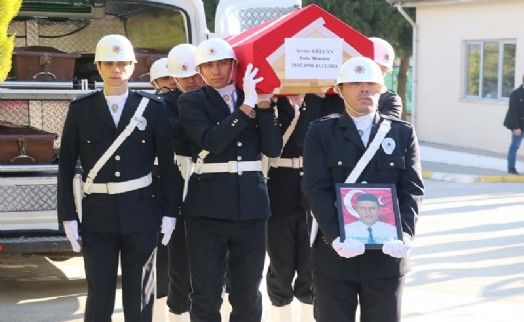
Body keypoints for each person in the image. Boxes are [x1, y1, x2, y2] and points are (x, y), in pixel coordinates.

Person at [57, 34, 178, 322]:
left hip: (142, 211)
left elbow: (168, 166)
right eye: (109, 63)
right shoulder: (81, 110)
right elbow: (65, 167)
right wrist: (68, 216)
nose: (116, 69)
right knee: (99, 297)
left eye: (122, 63)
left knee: (139, 297)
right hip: (98, 213)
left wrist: (170, 212)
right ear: (98, 67)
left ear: (133, 67)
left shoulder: (152, 108)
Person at [301, 56, 424, 322]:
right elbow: (315, 188)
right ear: (340, 90)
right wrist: (335, 236)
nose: (364, 89)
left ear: (381, 89)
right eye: (355, 84)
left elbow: (411, 190)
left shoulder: (401, 133)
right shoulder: (321, 132)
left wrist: (405, 234)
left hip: (386, 257)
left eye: (371, 83)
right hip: (336, 257)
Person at [178, 37, 283, 322]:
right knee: (206, 294)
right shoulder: (190, 102)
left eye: (222, 63)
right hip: (207, 210)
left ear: (234, 65)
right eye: (208, 65)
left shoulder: (252, 96)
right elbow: (212, 141)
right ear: (199, 70)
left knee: (248, 293)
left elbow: (273, 149)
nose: (216, 70)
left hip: (251, 207)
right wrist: (246, 107)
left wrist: (263, 106)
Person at [265, 95, 316, 322]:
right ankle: (280, 314)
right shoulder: (272, 101)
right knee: (280, 263)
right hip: (279, 188)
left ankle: (308, 315)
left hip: (311, 190)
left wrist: (314, 99)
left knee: (310, 264)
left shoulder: (321, 100)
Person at [369, 37, 403, 119]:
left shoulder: (391, 100)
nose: (378, 73)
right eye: (373, 67)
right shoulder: (338, 93)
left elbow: (384, 128)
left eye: (383, 69)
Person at [503, 74, 524, 175]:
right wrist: (516, 127)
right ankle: (511, 168)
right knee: (514, 146)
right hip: (519, 126)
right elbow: (512, 112)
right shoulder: (515, 94)